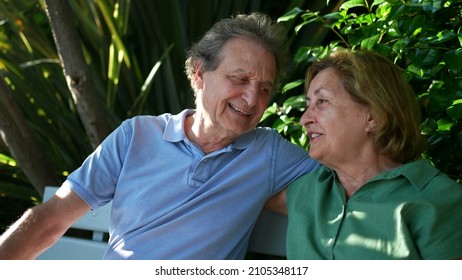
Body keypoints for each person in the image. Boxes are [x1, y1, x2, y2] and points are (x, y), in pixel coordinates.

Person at [0, 12, 319, 260]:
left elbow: (348, 183)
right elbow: (50, 218)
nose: (252, 99)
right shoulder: (135, 136)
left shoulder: (270, 156)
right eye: (240, 79)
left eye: (264, 88)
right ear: (198, 73)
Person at [285, 49, 462, 260]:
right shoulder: (306, 189)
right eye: (307, 105)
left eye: (321, 102)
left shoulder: (439, 199)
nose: (304, 119)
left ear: (374, 116)